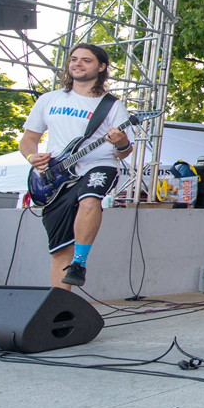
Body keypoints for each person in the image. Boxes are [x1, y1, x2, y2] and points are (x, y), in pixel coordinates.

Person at [18, 43, 134, 290]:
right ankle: (59, 306)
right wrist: (31, 157)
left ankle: (79, 262)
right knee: (60, 249)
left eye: (86, 60)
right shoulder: (49, 99)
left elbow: (124, 152)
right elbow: (28, 139)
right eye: (74, 59)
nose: (77, 63)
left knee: (90, 199)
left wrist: (121, 142)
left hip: (98, 164)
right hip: (56, 175)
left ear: (101, 67)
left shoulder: (112, 105)